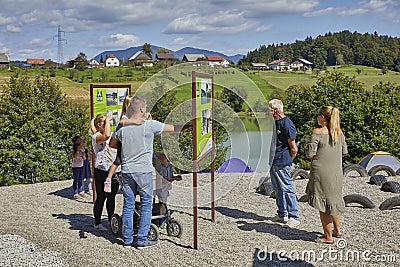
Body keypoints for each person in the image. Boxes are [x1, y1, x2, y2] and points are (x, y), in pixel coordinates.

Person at [109, 95, 190, 249]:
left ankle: (127, 240)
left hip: (127, 171)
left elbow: (112, 145)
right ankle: (141, 240)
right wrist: (188, 126)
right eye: (145, 107)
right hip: (143, 171)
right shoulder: (150, 125)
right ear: (141, 108)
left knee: (128, 205)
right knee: (146, 204)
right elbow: (172, 128)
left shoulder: (122, 127)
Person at [306, 106, 348, 244]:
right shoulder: (339, 133)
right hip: (336, 172)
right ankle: (337, 230)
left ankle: (328, 237)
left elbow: (310, 154)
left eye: (318, 115)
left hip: (321, 173)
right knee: (333, 200)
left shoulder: (317, 132)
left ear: (322, 117)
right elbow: (343, 153)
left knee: (324, 204)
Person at [268, 99, 300, 228]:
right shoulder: (277, 123)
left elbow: (294, 148)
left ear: (276, 110)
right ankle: (282, 214)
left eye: (269, 109)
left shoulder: (287, 124)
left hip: (282, 161)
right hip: (274, 161)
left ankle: (294, 216)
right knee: (277, 188)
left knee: (287, 188)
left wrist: (289, 161)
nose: (268, 112)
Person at [90, 114, 119, 231]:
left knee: (112, 197)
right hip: (101, 170)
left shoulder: (112, 135)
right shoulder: (96, 136)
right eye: (105, 123)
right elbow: (106, 136)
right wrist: (107, 119)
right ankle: (97, 222)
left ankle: (111, 219)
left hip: (113, 169)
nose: (108, 125)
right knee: (101, 197)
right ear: (99, 125)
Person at [153, 152, 182, 217]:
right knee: (162, 204)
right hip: (160, 186)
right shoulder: (160, 167)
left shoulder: (170, 166)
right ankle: (162, 218)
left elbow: (169, 177)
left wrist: (175, 177)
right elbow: (165, 180)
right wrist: (174, 179)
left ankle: (163, 218)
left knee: (164, 203)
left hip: (166, 187)